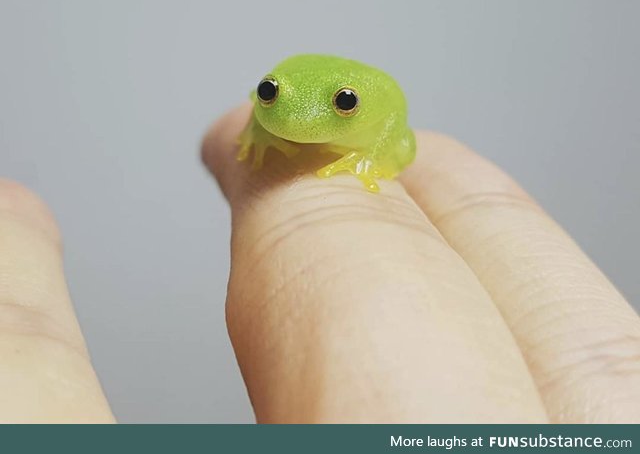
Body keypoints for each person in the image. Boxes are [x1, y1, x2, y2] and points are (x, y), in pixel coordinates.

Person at [0, 103, 638, 423]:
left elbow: (402, 140)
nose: (302, 118)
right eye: (273, 96)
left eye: (337, 106)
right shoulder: (271, 109)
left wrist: (369, 161)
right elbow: (266, 110)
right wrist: (260, 129)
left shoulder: (375, 113)